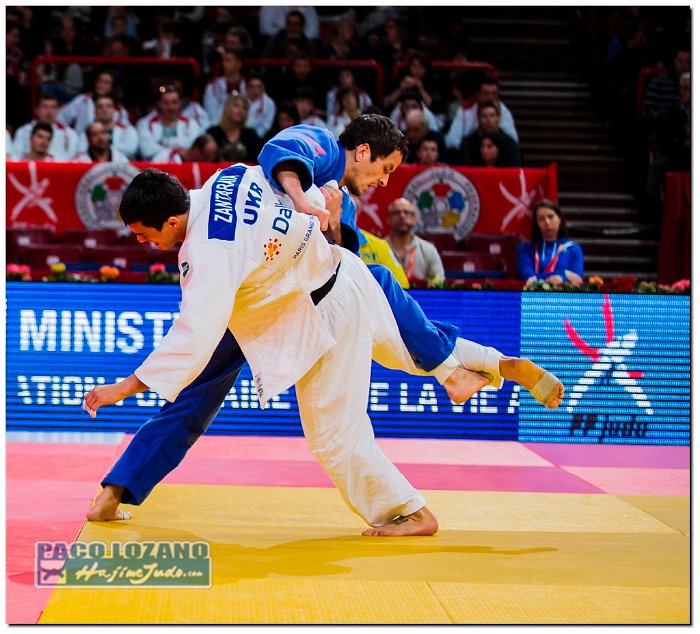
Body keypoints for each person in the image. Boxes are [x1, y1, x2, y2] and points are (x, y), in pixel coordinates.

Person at [86, 116, 564, 525]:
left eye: (143, 235)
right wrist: (311, 205)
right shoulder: (228, 177)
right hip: (315, 289)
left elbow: (194, 335)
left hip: (307, 307)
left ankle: (408, 511)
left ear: (170, 222)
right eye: (385, 169)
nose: (144, 245)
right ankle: (490, 365)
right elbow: (287, 158)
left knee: (328, 431)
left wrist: (123, 387)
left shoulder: (209, 253)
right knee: (406, 343)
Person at [516, 199, 584, 286]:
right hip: (534, 297)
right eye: (541, 219)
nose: (547, 222)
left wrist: (541, 278)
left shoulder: (573, 249)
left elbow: (577, 278)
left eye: (551, 217)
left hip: (565, 298)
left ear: (559, 219)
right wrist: (563, 275)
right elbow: (526, 276)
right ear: (536, 223)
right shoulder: (525, 248)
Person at [445, 73, 519, 152]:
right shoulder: (465, 110)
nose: (490, 97)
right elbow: (451, 141)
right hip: (471, 153)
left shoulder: (504, 111)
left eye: (494, 93)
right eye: (486, 93)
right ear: (478, 94)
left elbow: (513, 140)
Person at [385, 197, 445, 286]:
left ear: (414, 219)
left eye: (407, 212)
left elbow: (439, 281)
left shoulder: (428, 249)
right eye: (397, 213)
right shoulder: (378, 248)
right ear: (388, 219)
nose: (402, 216)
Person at [135, 84, 202, 160]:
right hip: (155, 167)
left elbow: (193, 150)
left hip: (183, 166)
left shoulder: (191, 124)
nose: (171, 107)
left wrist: (164, 146)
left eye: (174, 102)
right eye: (166, 103)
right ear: (159, 103)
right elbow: (147, 150)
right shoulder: (145, 124)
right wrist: (175, 152)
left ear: (180, 103)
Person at [56, 69, 130, 134]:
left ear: (112, 87)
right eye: (99, 81)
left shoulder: (120, 111)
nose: (101, 84)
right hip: (82, 145)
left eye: (106, 82)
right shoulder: (82, 100)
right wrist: (67, 136)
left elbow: (124, 132)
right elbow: (61, 117)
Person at [12, 93, 81, 160]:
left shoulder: (70, 134)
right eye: (45, 107)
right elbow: (16, 157)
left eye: (53, 107)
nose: (49, 111)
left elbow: (74, 159)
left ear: (58, 110)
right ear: (37, 110)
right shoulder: (23, 131)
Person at [458, 101, 522, 167]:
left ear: (499, 118)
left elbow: (515, 171)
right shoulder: (468, 143)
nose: (488, 119)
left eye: (492, 115)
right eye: (484, 116)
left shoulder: (510, 144)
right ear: (478, 119)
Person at [206, 93, 263, 163]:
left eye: (244, 108)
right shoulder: (213, 132)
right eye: (236, 106)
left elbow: (258, 159)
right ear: (227, 108)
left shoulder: (250, 134)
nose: (241, 110)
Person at [203, 48, 247, 125]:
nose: (224, 64)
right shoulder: (212, 87)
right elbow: (212, 115)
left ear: (238, 64)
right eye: (224, 60)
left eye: (228, 61)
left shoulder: (248, 86)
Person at [92, 93, 138, 159]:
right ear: (94, 111)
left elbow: (130, 150)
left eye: (108, 106)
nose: (104, 109)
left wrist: (100, 148)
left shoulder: (128, 130)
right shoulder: (88, 131)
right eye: (100, 106)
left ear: (114, 110)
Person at [244, 74, 276, 139]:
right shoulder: (241, 100)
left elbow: (266, 125)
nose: (255, 90)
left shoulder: (269, 103)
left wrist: (255, 137)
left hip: (258, 137)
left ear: (263, 88)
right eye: (252, 87)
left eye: (259, 87)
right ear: (246, 88)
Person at [151, 133, 218, 163]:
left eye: (212, 157)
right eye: (207, 157)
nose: (210, 162)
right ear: (196, 151)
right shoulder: (164, 158)